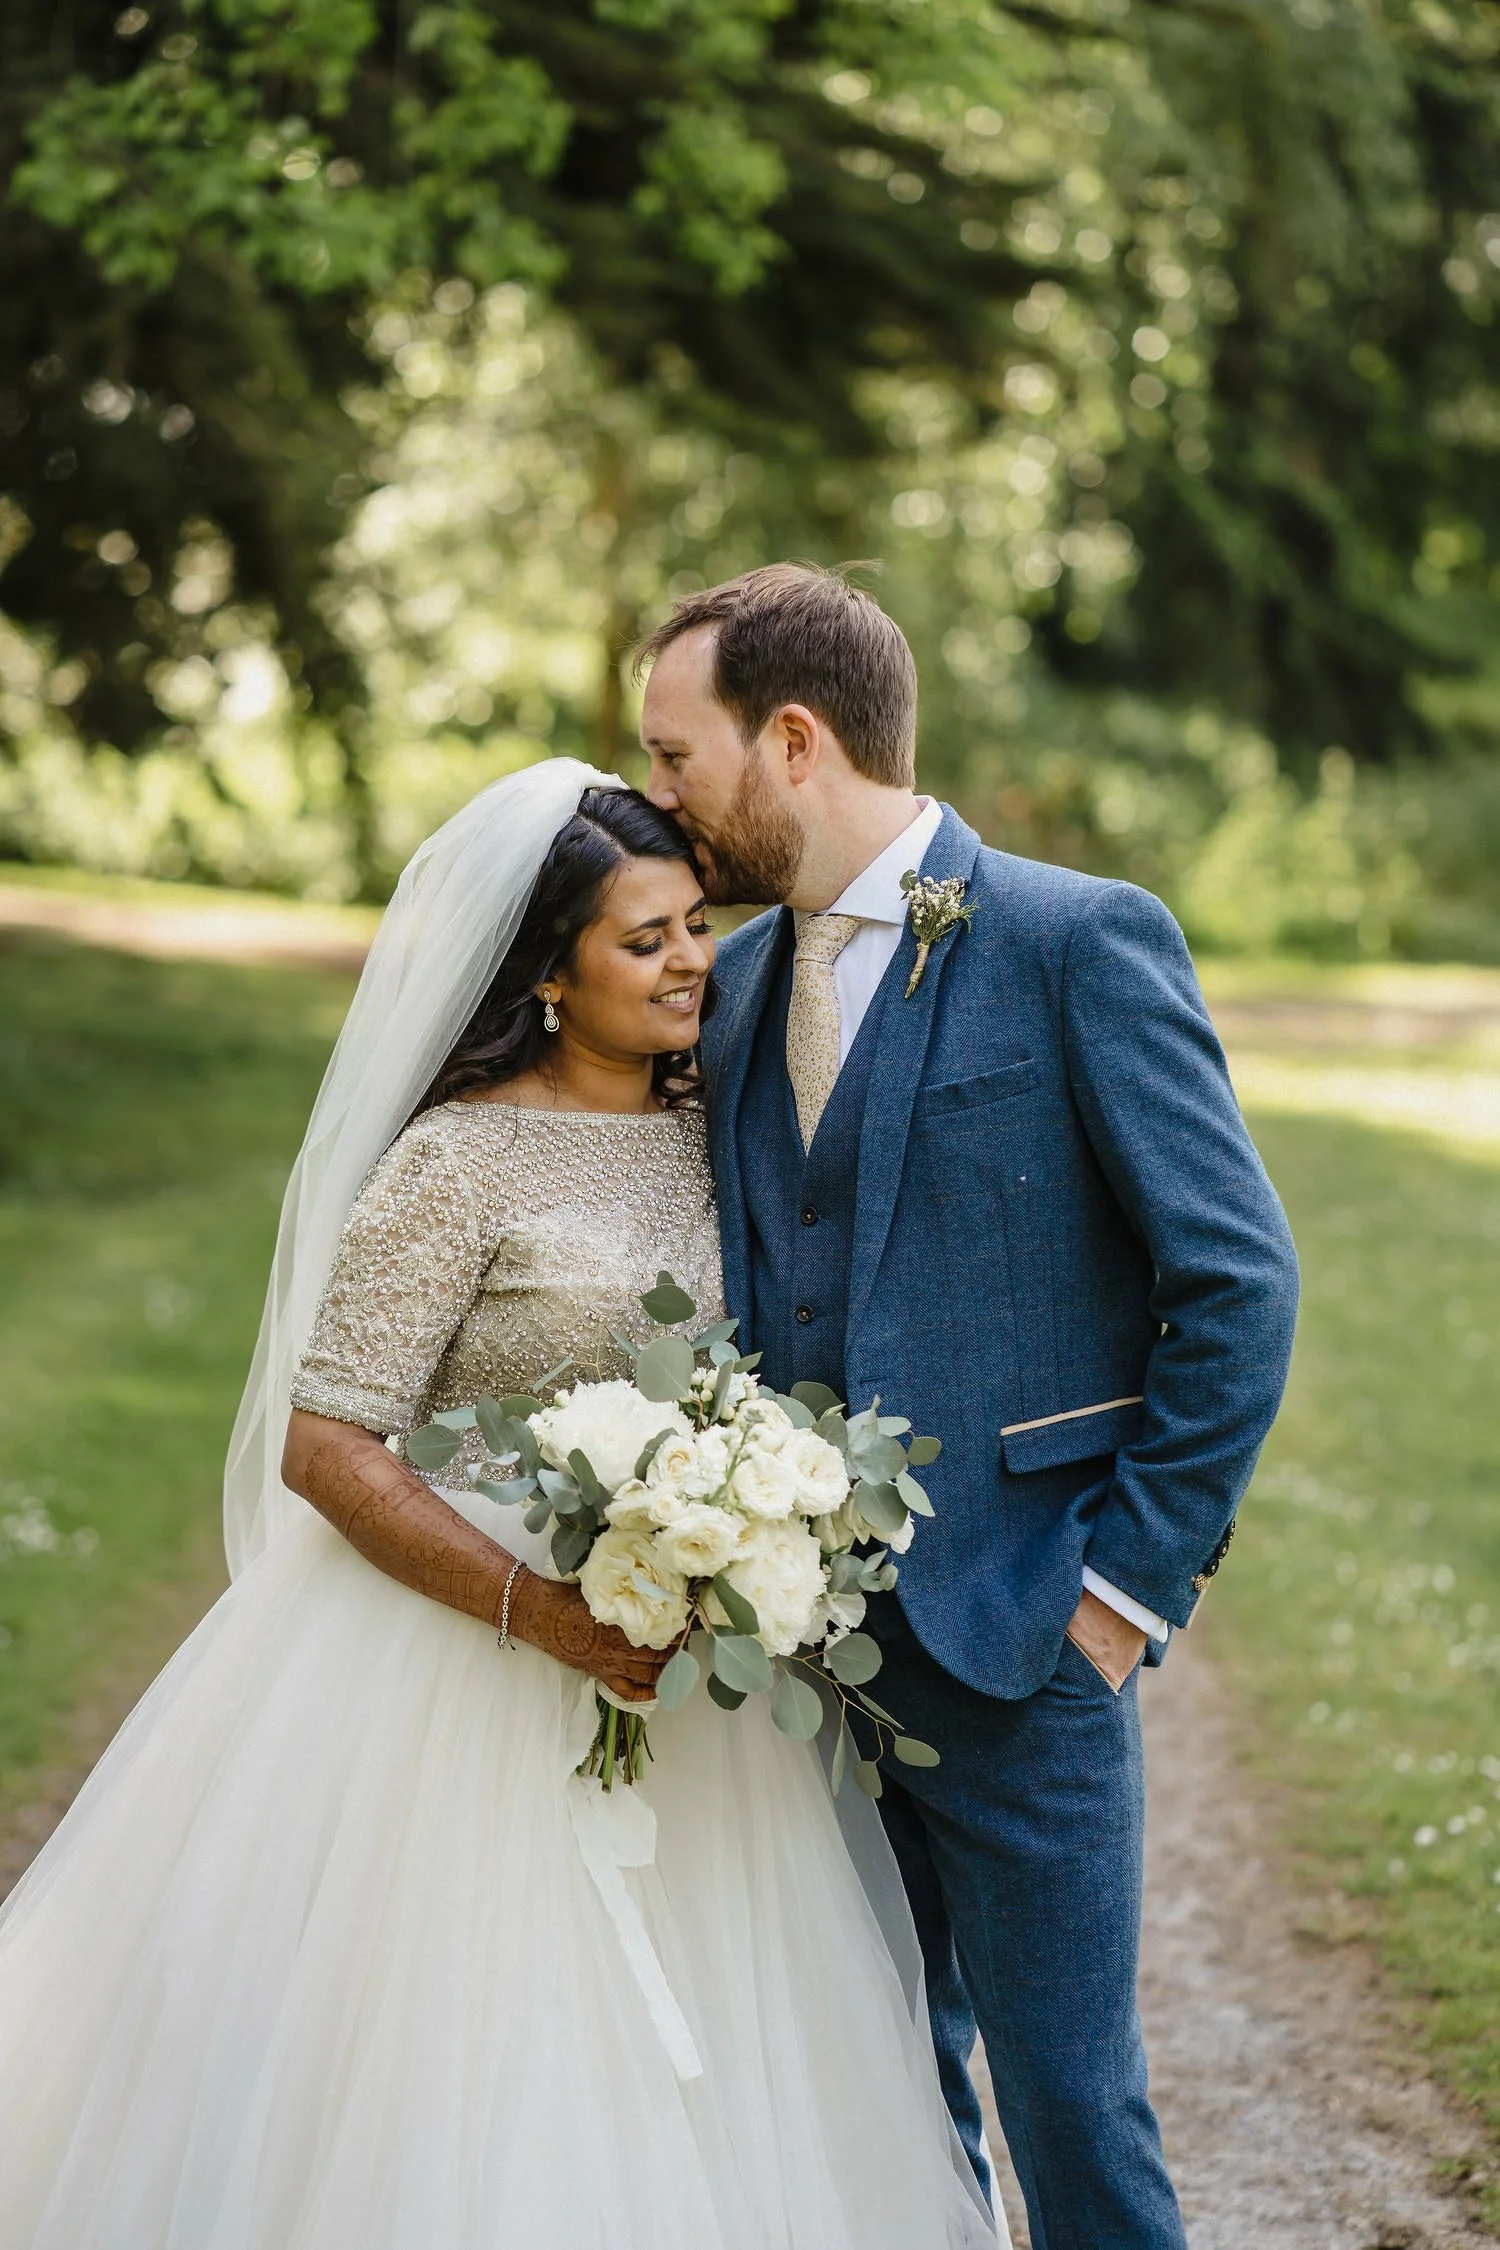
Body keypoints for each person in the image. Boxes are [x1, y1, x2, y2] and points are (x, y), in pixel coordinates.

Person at [0, 762, 996, 2250]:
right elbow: (329, 1442)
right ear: (547, 972)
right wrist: (541, 1609)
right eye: (642, 938)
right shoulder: (453, 1161)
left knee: (729, 2042)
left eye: (696, 924)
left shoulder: (719, 1129)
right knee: (469, 2033)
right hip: (457, 1660)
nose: (689, 962)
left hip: (686, 1673)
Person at [639, 564, 1302, 2250]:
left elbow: (1236, 1283)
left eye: (675, 756)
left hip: (1025, 1641)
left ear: (791, 741)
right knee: (875, 2090)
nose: (656, 799)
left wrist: (1121, 1590)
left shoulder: (1080, 941)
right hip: (799, 1672)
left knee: (1072, 2105)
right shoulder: (723, 987)